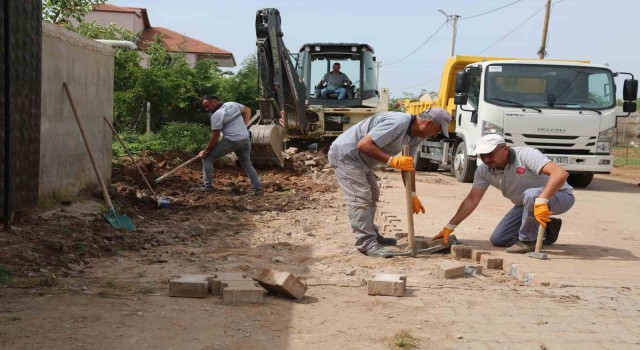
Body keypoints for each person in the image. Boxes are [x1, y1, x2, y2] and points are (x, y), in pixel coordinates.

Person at [328, 108, 452, 257]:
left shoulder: (416, 136)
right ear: (429, 123)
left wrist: (412, 194)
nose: (435, 135)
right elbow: (364, 144)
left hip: (363, 162)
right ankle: (366, 243)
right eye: (437, 130)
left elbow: (408, 166)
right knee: (360, 197)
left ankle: (372, 234)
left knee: (373, 195)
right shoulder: (397, 122)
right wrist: (391, 160)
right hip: (346, 156)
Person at [432, 134, 574, 253]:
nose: (486, 160)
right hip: (526, 204)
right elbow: (472, 199)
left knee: (531, 195)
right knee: (499, 239)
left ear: (505, 149)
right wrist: (449, 227)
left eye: (490, 155)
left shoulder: (526, 155)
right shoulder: (483, 171)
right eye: (482, 156)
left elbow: (560, 174)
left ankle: (528, 242)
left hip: (559, 196)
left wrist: (542, 200)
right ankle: (547, 227)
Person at [192, 95, 264, 196]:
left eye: (207, 106)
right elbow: (247, 110)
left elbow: (215, 136)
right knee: (247, 164)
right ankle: (258, 189)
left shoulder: (217, 115)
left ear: (214, 102)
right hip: (245, 139)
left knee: (207, 159)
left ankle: (207, 186)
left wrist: (206, 151)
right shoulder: (232, 104)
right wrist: (244, 126)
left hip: (231, 141)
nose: (206, 109)